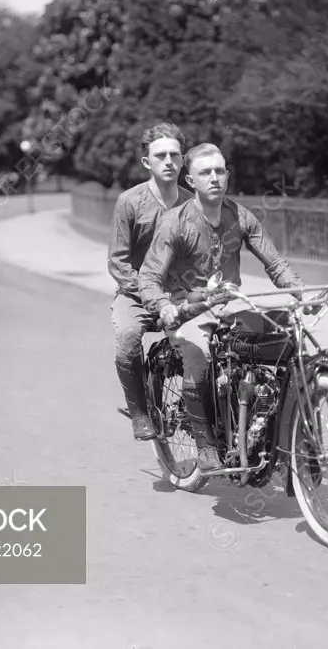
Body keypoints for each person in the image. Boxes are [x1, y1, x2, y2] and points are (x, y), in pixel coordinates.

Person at [138, 143, 303, 473]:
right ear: (190, 181)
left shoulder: (240, 216)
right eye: (205, 172)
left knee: (286, 339)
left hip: (228, 306)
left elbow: (275, 263)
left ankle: (282, 437)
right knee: (198, 359)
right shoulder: (175, 222)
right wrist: (164, 306)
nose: (214, 178)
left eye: (219, 171)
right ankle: (206, 445)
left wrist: (297, 290)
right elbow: (149, 276)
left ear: (227, 175)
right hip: (186, 310)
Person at [109, 122, 194, 441]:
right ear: (147, 162)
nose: (169, 161)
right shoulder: (129, 202)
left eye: (175, 154)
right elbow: (117, 261)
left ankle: (202, 417)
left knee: (218, 343)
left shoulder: (193, 204)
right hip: (136, 296)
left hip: (181, 294)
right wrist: (151, 297)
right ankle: (140, 412)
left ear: (184, 160)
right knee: (129, 340)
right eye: (160, 155)